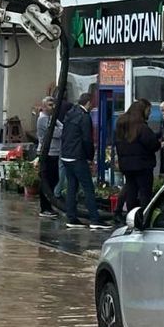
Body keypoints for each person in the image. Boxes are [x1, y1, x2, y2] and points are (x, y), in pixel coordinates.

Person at [60, 93, 110, 230]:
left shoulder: (70, 113)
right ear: (88, 103)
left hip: (66, 155)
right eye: (92, 103)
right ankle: (95, 219)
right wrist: (90, 157)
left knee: (72, 187)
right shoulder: (85, 117)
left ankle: (71, 217)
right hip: (78, 156)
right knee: (88, 188)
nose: (93, 105)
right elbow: (87, 139)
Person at [114, 101, 158, 215]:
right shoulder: (142, 127)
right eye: (148, 110)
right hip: (142, 164)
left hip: (126, 165)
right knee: (145, 193)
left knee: (131, 191)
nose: (149, 113)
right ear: (142, 110)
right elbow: (153, 144)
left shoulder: (121, 125)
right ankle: (143, 217)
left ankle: (131, 215)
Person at [35, 96, 63, 219]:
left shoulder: (52, 118)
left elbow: (63, 128)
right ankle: (45, 208)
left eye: (54, 104)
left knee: (54, 179)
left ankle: (49, 206)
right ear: (44, 106)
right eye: (50, 105)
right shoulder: (43, 119)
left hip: (55, 152)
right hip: (48, 153)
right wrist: (61, 129)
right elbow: (58, 133)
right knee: (47, 181)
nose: (53, 107)